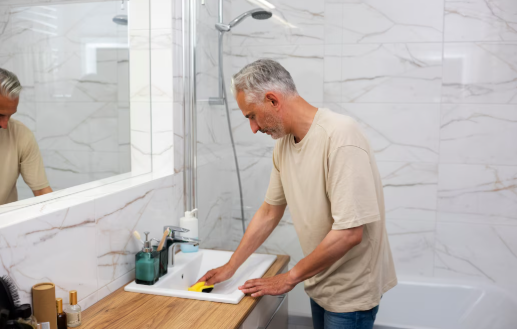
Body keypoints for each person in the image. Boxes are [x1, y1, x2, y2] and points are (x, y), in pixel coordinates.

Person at [197, 59, 397, 329]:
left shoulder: (340, 136)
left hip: (352, 292)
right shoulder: (283, 146)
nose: (253, 128)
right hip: (319, 280)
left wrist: (289, 277)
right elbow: (269, 212)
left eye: (251, 116)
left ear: (272, 100)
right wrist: (231, 266)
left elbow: (350, 232)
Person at [0, 68, 52, 206]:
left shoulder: (21, 135)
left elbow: (42, 192)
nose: (5, 125)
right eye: (0, 115)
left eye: (10, 115)